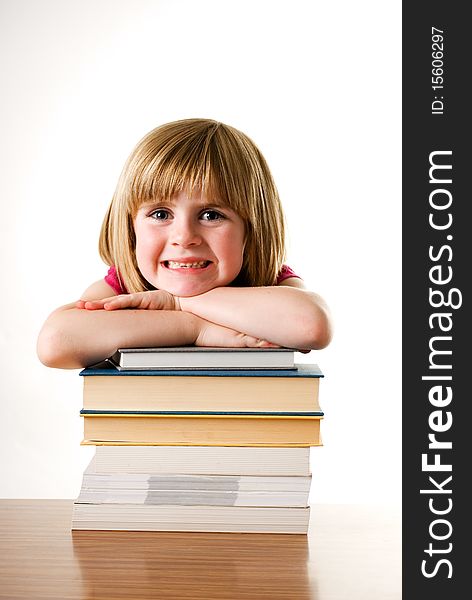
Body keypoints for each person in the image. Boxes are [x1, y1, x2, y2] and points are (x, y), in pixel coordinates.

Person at [37, 118, 332, 369]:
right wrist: (195, 327)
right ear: (131, 228)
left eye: (211, 214)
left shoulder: (271, 281)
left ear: (251, 229)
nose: (184, 237)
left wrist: (178, 301)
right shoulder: (127, 286)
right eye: (161, 214)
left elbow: (311, 326)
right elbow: (55, 343)